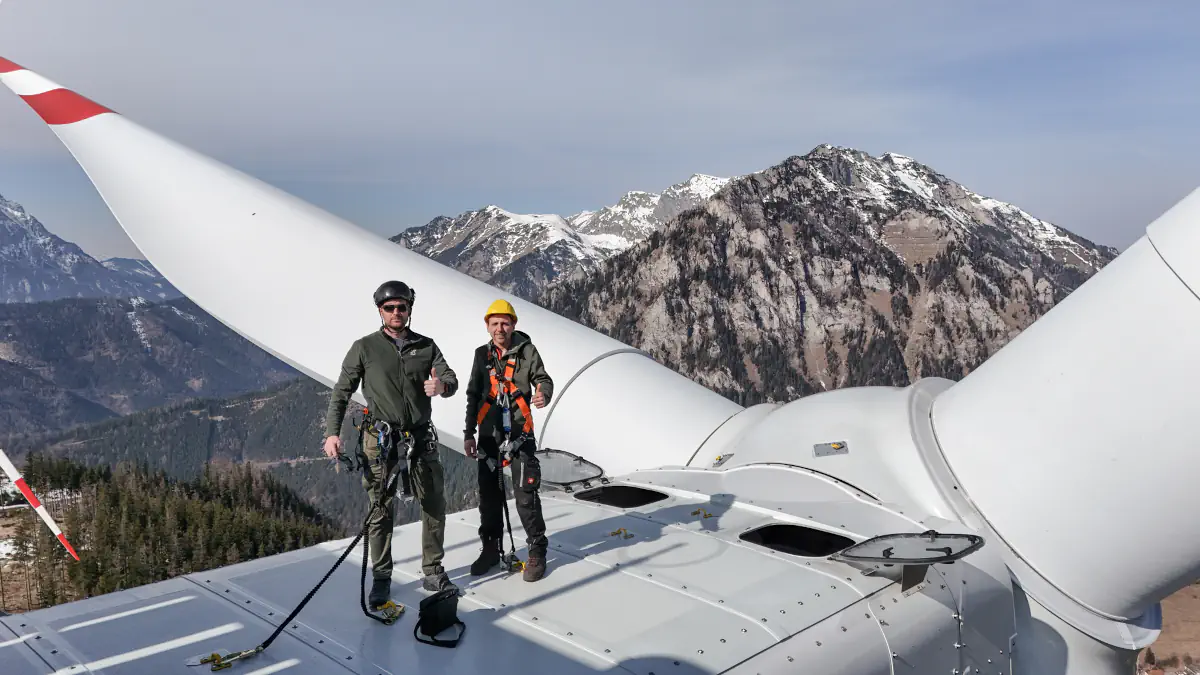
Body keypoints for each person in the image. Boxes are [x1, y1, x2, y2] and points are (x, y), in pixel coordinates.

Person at [322, 280, 459, 608]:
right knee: (380, 510)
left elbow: (450, 378)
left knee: (434, 504)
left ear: (410, 310)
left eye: (402, 307)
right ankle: (382, 575)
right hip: (380, 442)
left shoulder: (426, 346)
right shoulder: (365, 347)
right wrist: (332, 432)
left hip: (420, 439)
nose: (397, 312)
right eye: (390, 308)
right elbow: (342, 391)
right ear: (380, 311)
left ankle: (433, 569)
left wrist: (442, 386)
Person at [463, 299, 553, 582]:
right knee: (489, 498)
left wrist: (543, 394)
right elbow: (473, 395)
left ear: (513, 325)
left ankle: (537, 551)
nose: (500, 329)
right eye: (495, 324)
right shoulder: (481, 355)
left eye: (505, 323)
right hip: (489, 436)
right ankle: (491, 548)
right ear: (488, 326)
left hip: (520, 435)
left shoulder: (527, 352)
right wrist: (469, 433)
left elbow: (543, 379)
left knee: (526, 497)